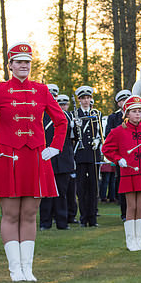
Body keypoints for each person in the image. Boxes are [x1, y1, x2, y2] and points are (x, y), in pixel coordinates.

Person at [0, 42, 67, 282]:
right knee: (11, 213)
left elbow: (61, 121)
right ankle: (15, 269)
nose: (23, 65)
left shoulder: (43, 90)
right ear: (10, 65)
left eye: (27, 62)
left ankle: (28, 268)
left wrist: (55, 147)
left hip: (35, 157)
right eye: (19, 62)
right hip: (8, 157)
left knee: (30, 213)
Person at [102, 95, 141, 251]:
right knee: (131, 206)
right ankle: (130, 240)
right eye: (134, 111)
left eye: (140, 111)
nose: (138, 114)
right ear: (126, 113)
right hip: (128, 173)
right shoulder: (118, 131)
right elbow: (106, 149)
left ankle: (140, 239)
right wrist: (118, 159)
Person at [39, 87, 75, 230]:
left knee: (62, 193)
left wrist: (75, 128)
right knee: (46, 194)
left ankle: (62, 222)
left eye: (54, 96)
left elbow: (73, 140)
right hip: (46, 159)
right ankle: (45, 222)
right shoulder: (40, 116)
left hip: (63, 160)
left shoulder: (65, 116)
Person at [73, 85, 102, 227]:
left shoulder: (97, 114)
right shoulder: (74, 114)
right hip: (80, 155)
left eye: (88, 98)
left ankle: (93, 218)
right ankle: (83, 218)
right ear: (79, 100)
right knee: (81, 188)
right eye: (83, 98)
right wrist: (74, 126)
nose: (86, 101)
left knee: (93, 187)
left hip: (93, 155)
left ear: (91, 99)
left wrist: (98, 140)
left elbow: (100, 133)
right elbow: (71, 137)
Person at [105, 89, 132, 222]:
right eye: (122, 100)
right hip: (120, 158)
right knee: (122, 185)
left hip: (135, 157)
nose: (125, 102)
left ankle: (134, 213)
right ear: (118, 103)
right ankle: (124, 213)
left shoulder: (138, 116)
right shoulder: (113, 118)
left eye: (127, 99)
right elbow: (109, 137)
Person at [57, 94, 78, 224]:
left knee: (70, 191)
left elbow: (75, 138)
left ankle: (71, 215)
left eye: (65, 104)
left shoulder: (71, 117)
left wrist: (75, 126)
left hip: (68, 158)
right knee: (59, 191)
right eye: (60, 104)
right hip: (56, 158)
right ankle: (59, 217)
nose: (63, 107)